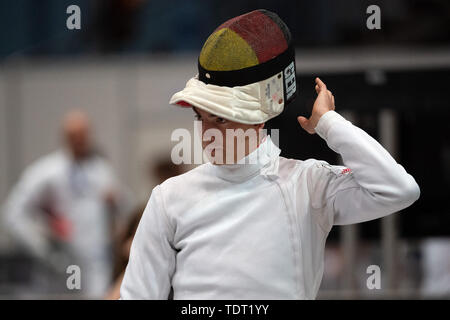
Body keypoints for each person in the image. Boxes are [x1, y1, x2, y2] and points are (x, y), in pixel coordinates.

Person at [120, 9, 420, 299]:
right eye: (201, 117)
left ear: (260, 117)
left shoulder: (306, 185)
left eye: (221, 119)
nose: (207, 133)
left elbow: (398, 190)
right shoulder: (169, 198)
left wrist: (330, 124)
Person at [2, 110, 134, 298]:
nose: (80, 141)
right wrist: (42, 246)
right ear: (64, 137)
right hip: (59, 265)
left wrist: (115, 201)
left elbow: (126, 206)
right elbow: (13, 214)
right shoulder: (46, 172)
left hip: (97, 264)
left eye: (84, 135)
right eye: (74, 136)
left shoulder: (100, 170)